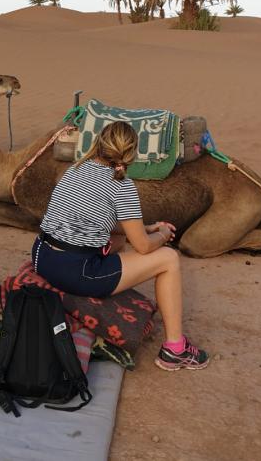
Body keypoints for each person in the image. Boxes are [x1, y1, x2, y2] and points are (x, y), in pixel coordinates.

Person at [33, 121, 209, 371]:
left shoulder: (76, 169)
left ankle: (104, 290)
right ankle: (175, 349)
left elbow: (94, 219)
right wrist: (161, 234)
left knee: (118, 240)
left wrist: (144, 227)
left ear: (100, 143)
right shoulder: (122, 186)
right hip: (74, 271)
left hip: (43, 256)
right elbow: (145, 247)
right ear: (132, 154)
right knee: (168, 259)